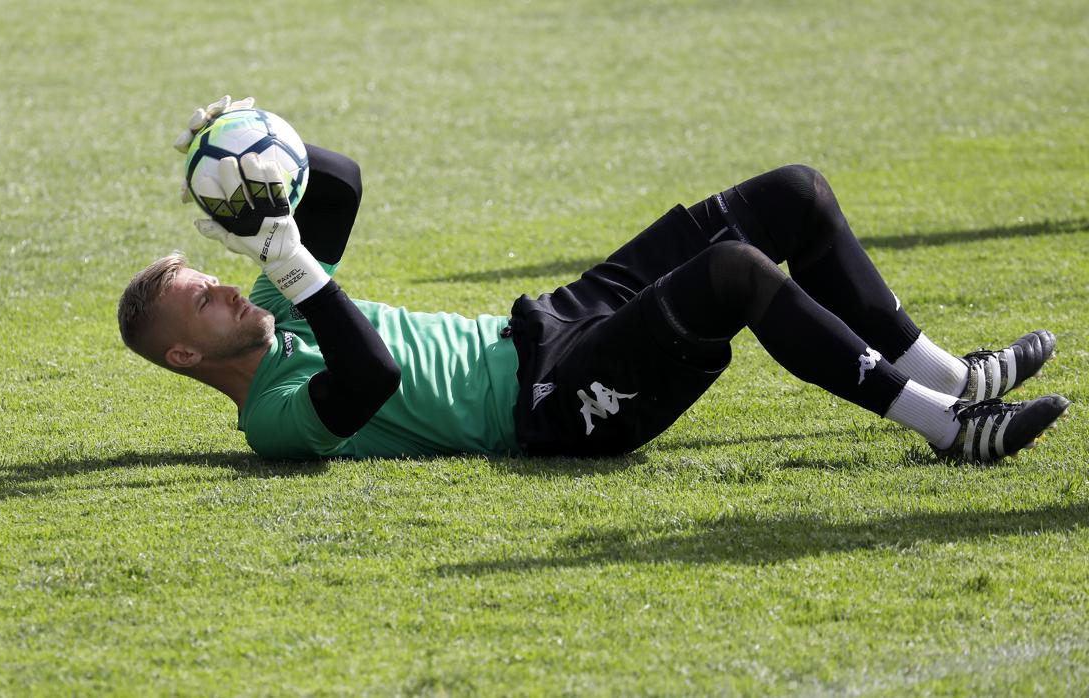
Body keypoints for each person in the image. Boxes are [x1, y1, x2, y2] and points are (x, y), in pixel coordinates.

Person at [117, 96, 1068, 463]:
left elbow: (345, 187)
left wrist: (255, 142)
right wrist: (294, 269)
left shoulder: (281, 310)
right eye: (203, 295)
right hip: (552, 403)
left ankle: (951, 376)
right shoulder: (271, 415)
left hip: (549, 326)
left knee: (791, 195)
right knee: (732, 273)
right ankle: (949, 430)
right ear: (186, 351)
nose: (228, 288)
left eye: (215, 276)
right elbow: (371, 380)